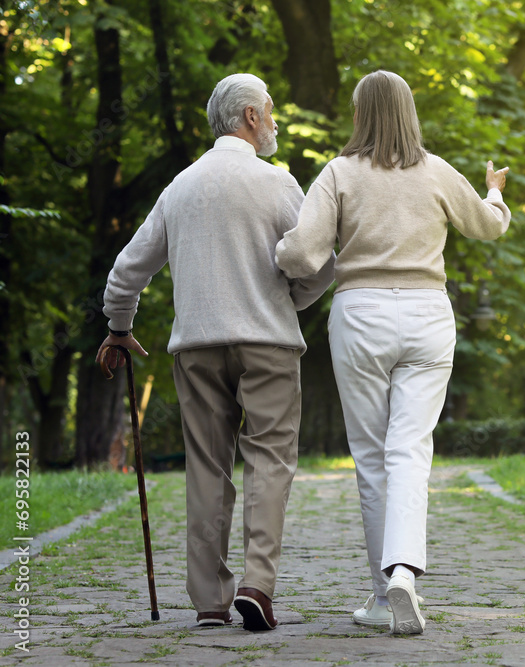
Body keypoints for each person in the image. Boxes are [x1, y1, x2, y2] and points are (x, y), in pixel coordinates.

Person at [96, 73, 335, 632]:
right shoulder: (277, 184)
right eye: (270, 110)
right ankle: (257, 585)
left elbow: (129, 269)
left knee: (206, 467)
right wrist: (291, 299)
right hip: (268, 342)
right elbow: (320, 262)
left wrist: (118, 326)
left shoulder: (179, 187)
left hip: (197, 346)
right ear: (251, 117)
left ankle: (209, 602)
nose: (274, 119)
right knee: (269, 460)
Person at [275, 70, 511, 635]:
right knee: (410, 450)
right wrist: (496, 188)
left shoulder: (338, 173)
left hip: (361, 316)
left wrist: (277, 248)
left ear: (360, 115)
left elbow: (303, 255)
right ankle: (404, 572)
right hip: (429, 317)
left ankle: (384, 595)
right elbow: (489, 225)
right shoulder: (437, 171)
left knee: (372, 456)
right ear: (409, 113)